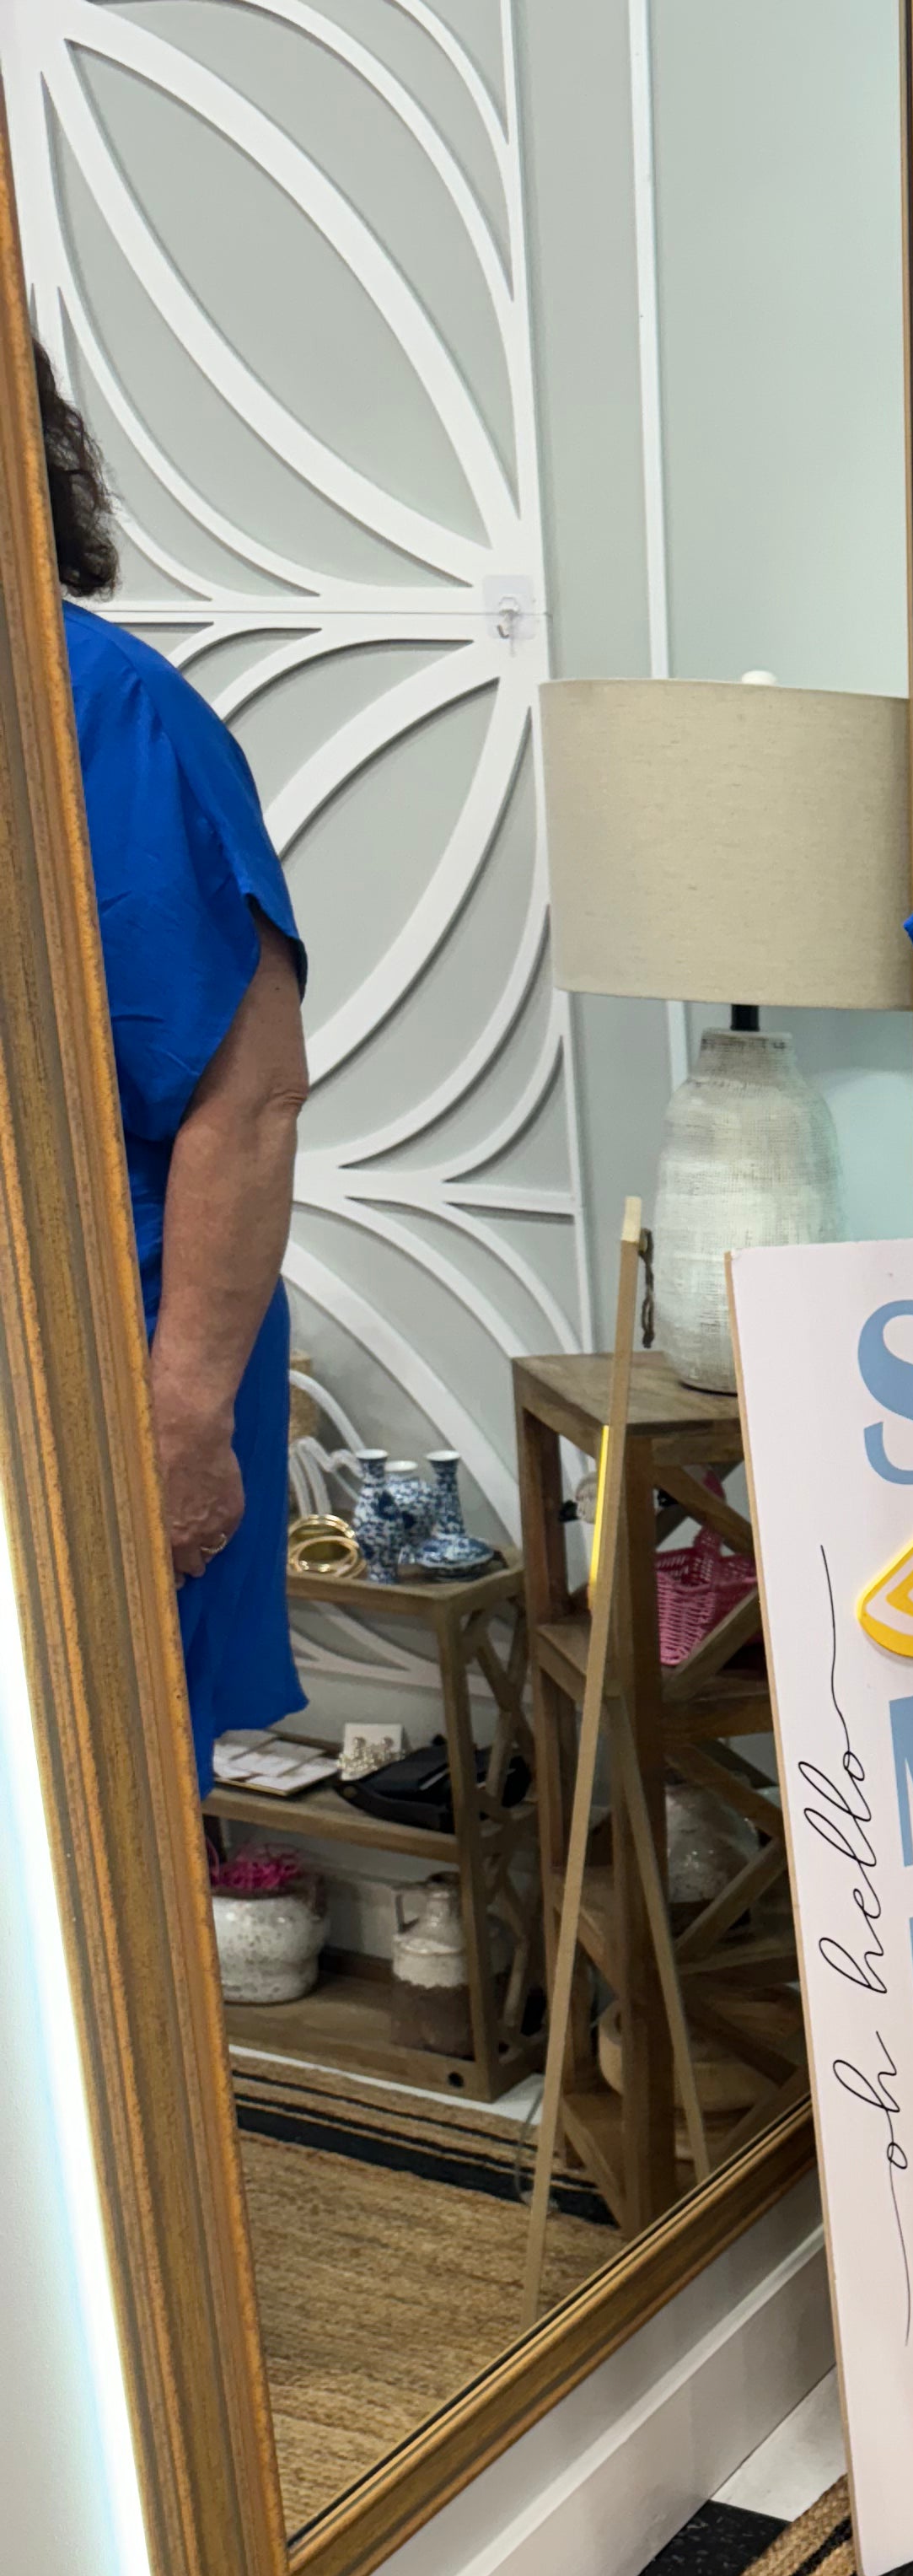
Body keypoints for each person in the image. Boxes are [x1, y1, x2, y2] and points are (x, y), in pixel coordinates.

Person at [40, 341, 308, 1790]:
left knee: (101, 1794)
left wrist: (183, 1417)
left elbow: (247, 1095)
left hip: (115, 1361)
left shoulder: (107, 708)